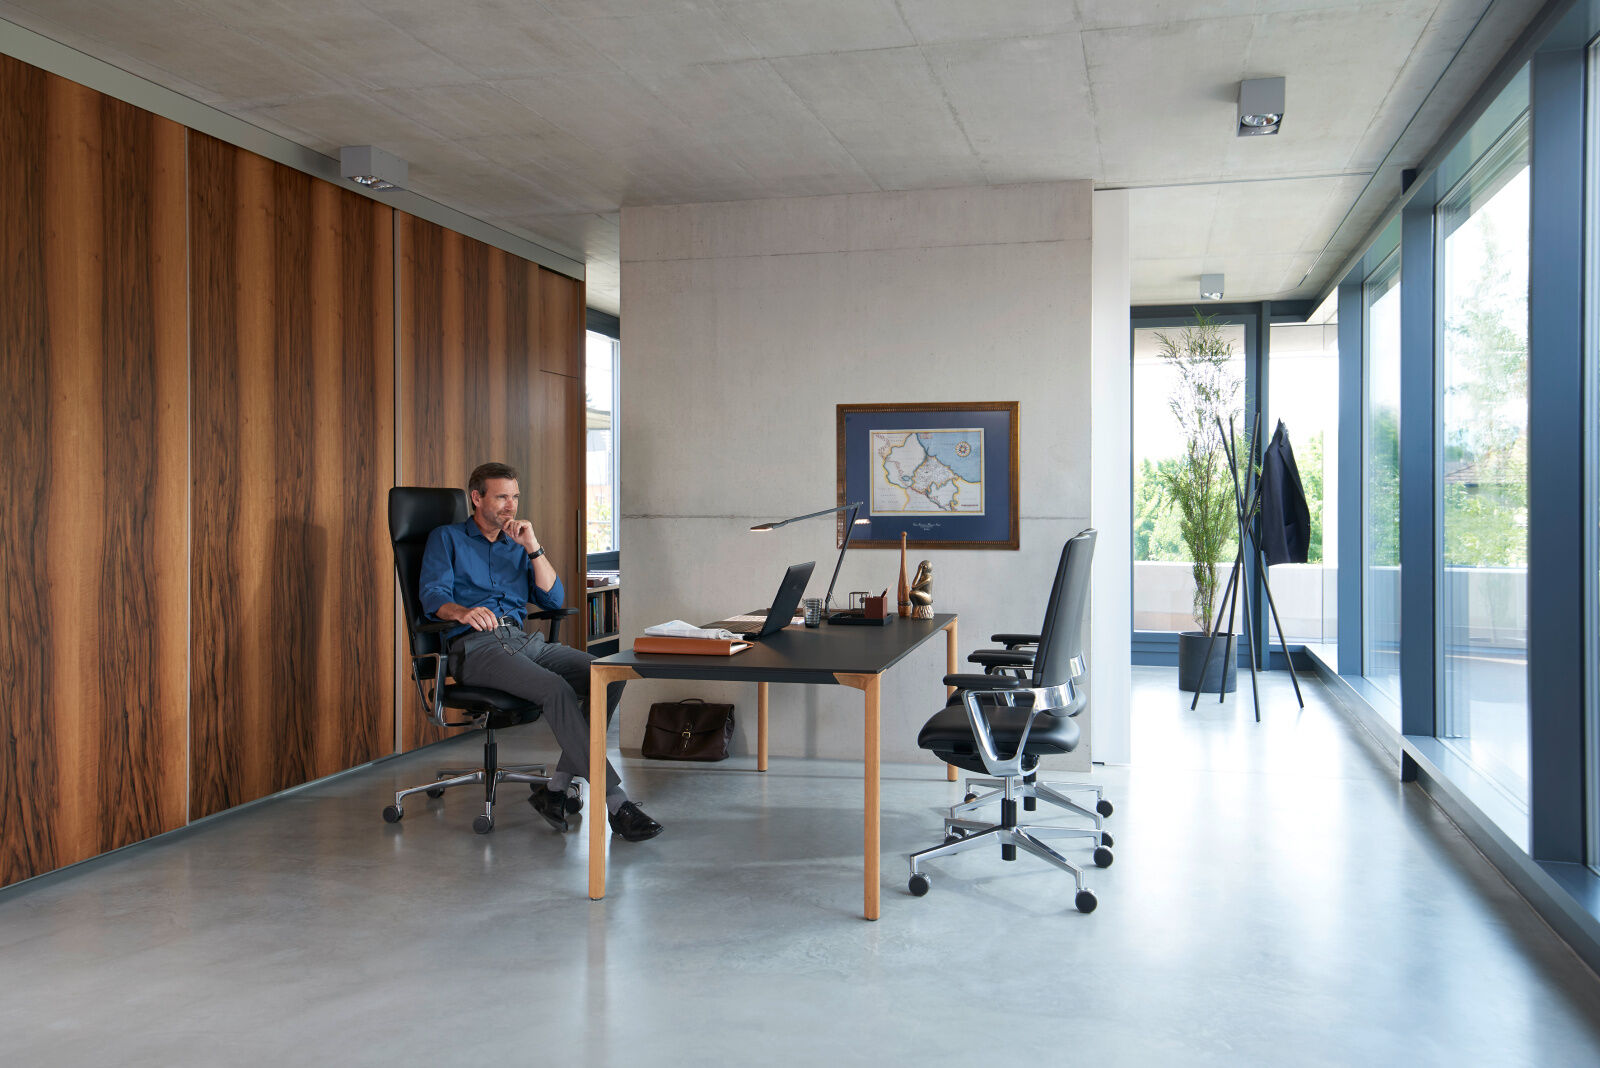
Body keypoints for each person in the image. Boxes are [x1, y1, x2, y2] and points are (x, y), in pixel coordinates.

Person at [418, 462, 662, 842]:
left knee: (607, 672)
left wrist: (532, 547)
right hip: (475, 647)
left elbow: (554, 597)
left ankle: (556, 789)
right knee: (555, 689)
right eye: (501, 497)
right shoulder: (446, 539)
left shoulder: (518, 544)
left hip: (523, 641)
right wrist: (463, 611)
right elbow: (433, 595)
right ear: (477, 497)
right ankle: (616, 803)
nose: (510, 506)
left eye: (514, 497)